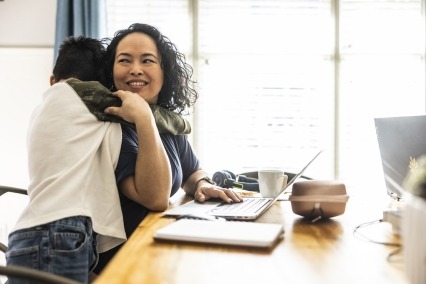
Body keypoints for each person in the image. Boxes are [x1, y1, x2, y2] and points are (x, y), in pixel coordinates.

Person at [5, 35, 190, 283]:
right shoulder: (84, 96)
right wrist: (183, 124)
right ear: (100, 85)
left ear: (52, 80)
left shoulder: (44, 110)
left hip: (34, 230)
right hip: (61, 231)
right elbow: (137, 108)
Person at [93, 23, 244, 273]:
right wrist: (143, 118)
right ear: (111, 71)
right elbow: (155, 198)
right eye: (125, 60)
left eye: (148, 60)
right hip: (124, 264)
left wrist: (203, 184)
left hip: (158, 250)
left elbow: (191, 171)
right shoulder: (111, 125)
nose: (136, 70)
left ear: (165, 73)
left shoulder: (164, 121)